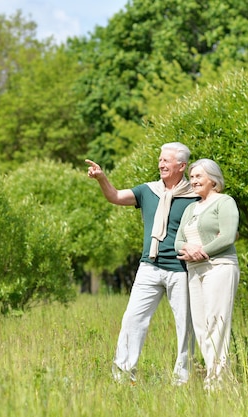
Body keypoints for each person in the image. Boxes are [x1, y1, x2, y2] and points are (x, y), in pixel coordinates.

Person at [85, 142, 199, 385]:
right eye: (160, 160)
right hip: (149, 267)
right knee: (133, 319)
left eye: (166, 160)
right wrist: (102, 178)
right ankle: (123, 376)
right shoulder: (148, 191)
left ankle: (183, 380)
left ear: (181, 166)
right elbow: (115, 196)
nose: (160, 164)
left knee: (186, 327)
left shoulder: (196, 196)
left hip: (182, 271)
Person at [175, 158, 240, 391]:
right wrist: (188, 250)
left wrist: (201, 251)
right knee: (201, 326)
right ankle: (216, 377)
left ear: (213, 179)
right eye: (191, 177)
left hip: (219, 267)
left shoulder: (225, 202)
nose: (193, 181)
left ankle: (217, 381)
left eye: (198, 176)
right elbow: (178, 241)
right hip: (194, 270)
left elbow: (228, 236)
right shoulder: (191, 208)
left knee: (216, 323)